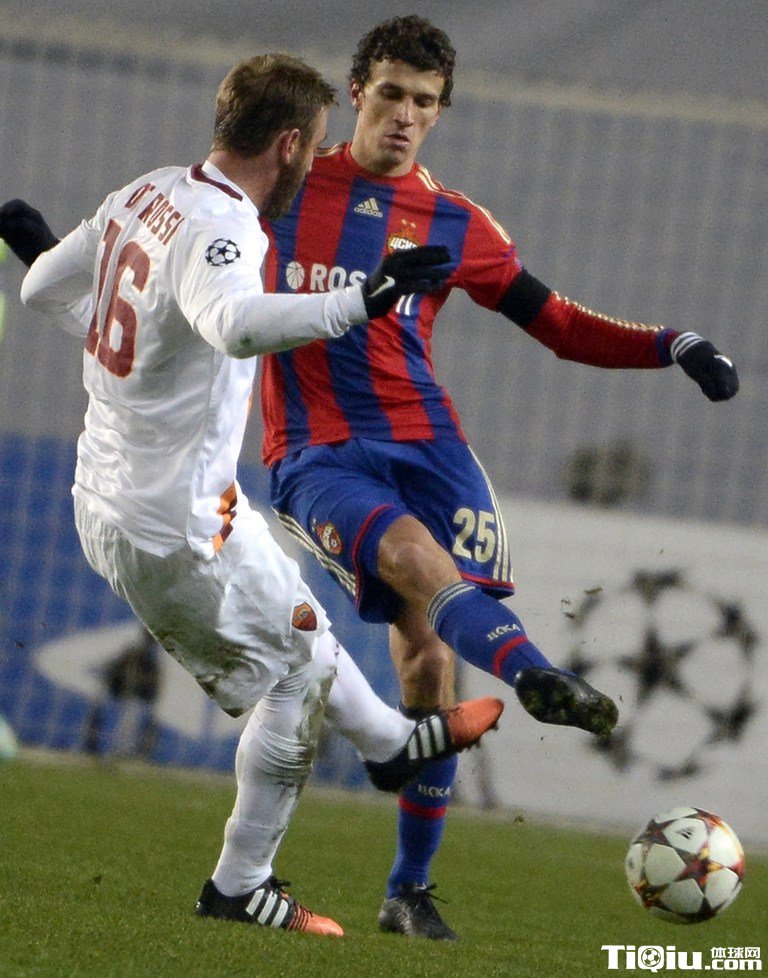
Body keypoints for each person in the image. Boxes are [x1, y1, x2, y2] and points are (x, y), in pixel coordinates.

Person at [258, 17, 740, 939]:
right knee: (416, 563)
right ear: (356, 92)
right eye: (391, 94)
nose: (405, 115)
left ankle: (408, 892)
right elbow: (187, 251)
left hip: (431, 448)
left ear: (440, 111)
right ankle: (536, 673)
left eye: (424, 102)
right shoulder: (283, 184)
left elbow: (558, 324)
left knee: (428, 658)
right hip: (317, 454)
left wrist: (671, 343)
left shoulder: (457, 222)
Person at [3, 52, 504, 938]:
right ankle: (241, 884)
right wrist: (360, 301)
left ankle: (390, 744)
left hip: (119, 495)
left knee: (301, 622)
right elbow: (235, 325)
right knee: (293, 679)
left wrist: (98, 306)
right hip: (173, 527)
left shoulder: (148, 191)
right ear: (289, 144)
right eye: (316, 145)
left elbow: (42, 285)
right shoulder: (225, 226)